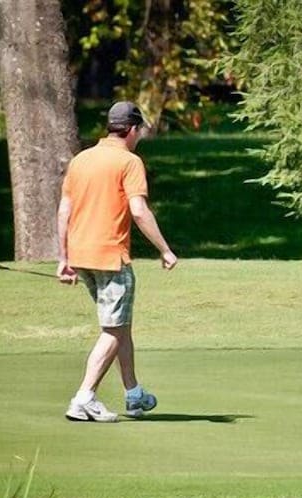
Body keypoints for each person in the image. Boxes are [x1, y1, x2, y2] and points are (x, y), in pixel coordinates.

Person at [56, 101, 178, 422]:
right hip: (110, 258)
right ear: (133, 129)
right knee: (113, 330)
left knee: (120, 325)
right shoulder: (129, 161)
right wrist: (164, 249)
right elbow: (138, 210)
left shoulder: (81, 159)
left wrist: (63, 258)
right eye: (141, 131)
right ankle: (84, 397)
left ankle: (133, 394)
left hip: (83, 257)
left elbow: (64, 211)